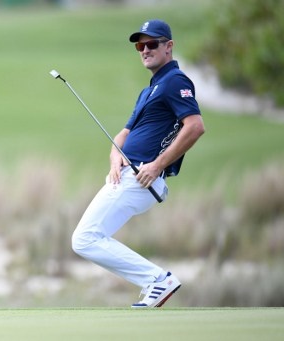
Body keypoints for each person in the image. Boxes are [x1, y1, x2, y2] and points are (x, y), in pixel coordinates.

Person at [71, 19, 205, 308]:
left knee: (84, 238)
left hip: (142, 175)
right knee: (88, 237)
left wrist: (157, 165)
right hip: (126, 174)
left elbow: (194, 126)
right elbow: (123, 134)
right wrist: (114, 157)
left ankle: (158, 279)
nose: (145, 50)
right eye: (140, 46)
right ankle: (155, 281)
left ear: (169, 47)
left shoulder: (175, 81)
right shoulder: (150, 89)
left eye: (152, 44)